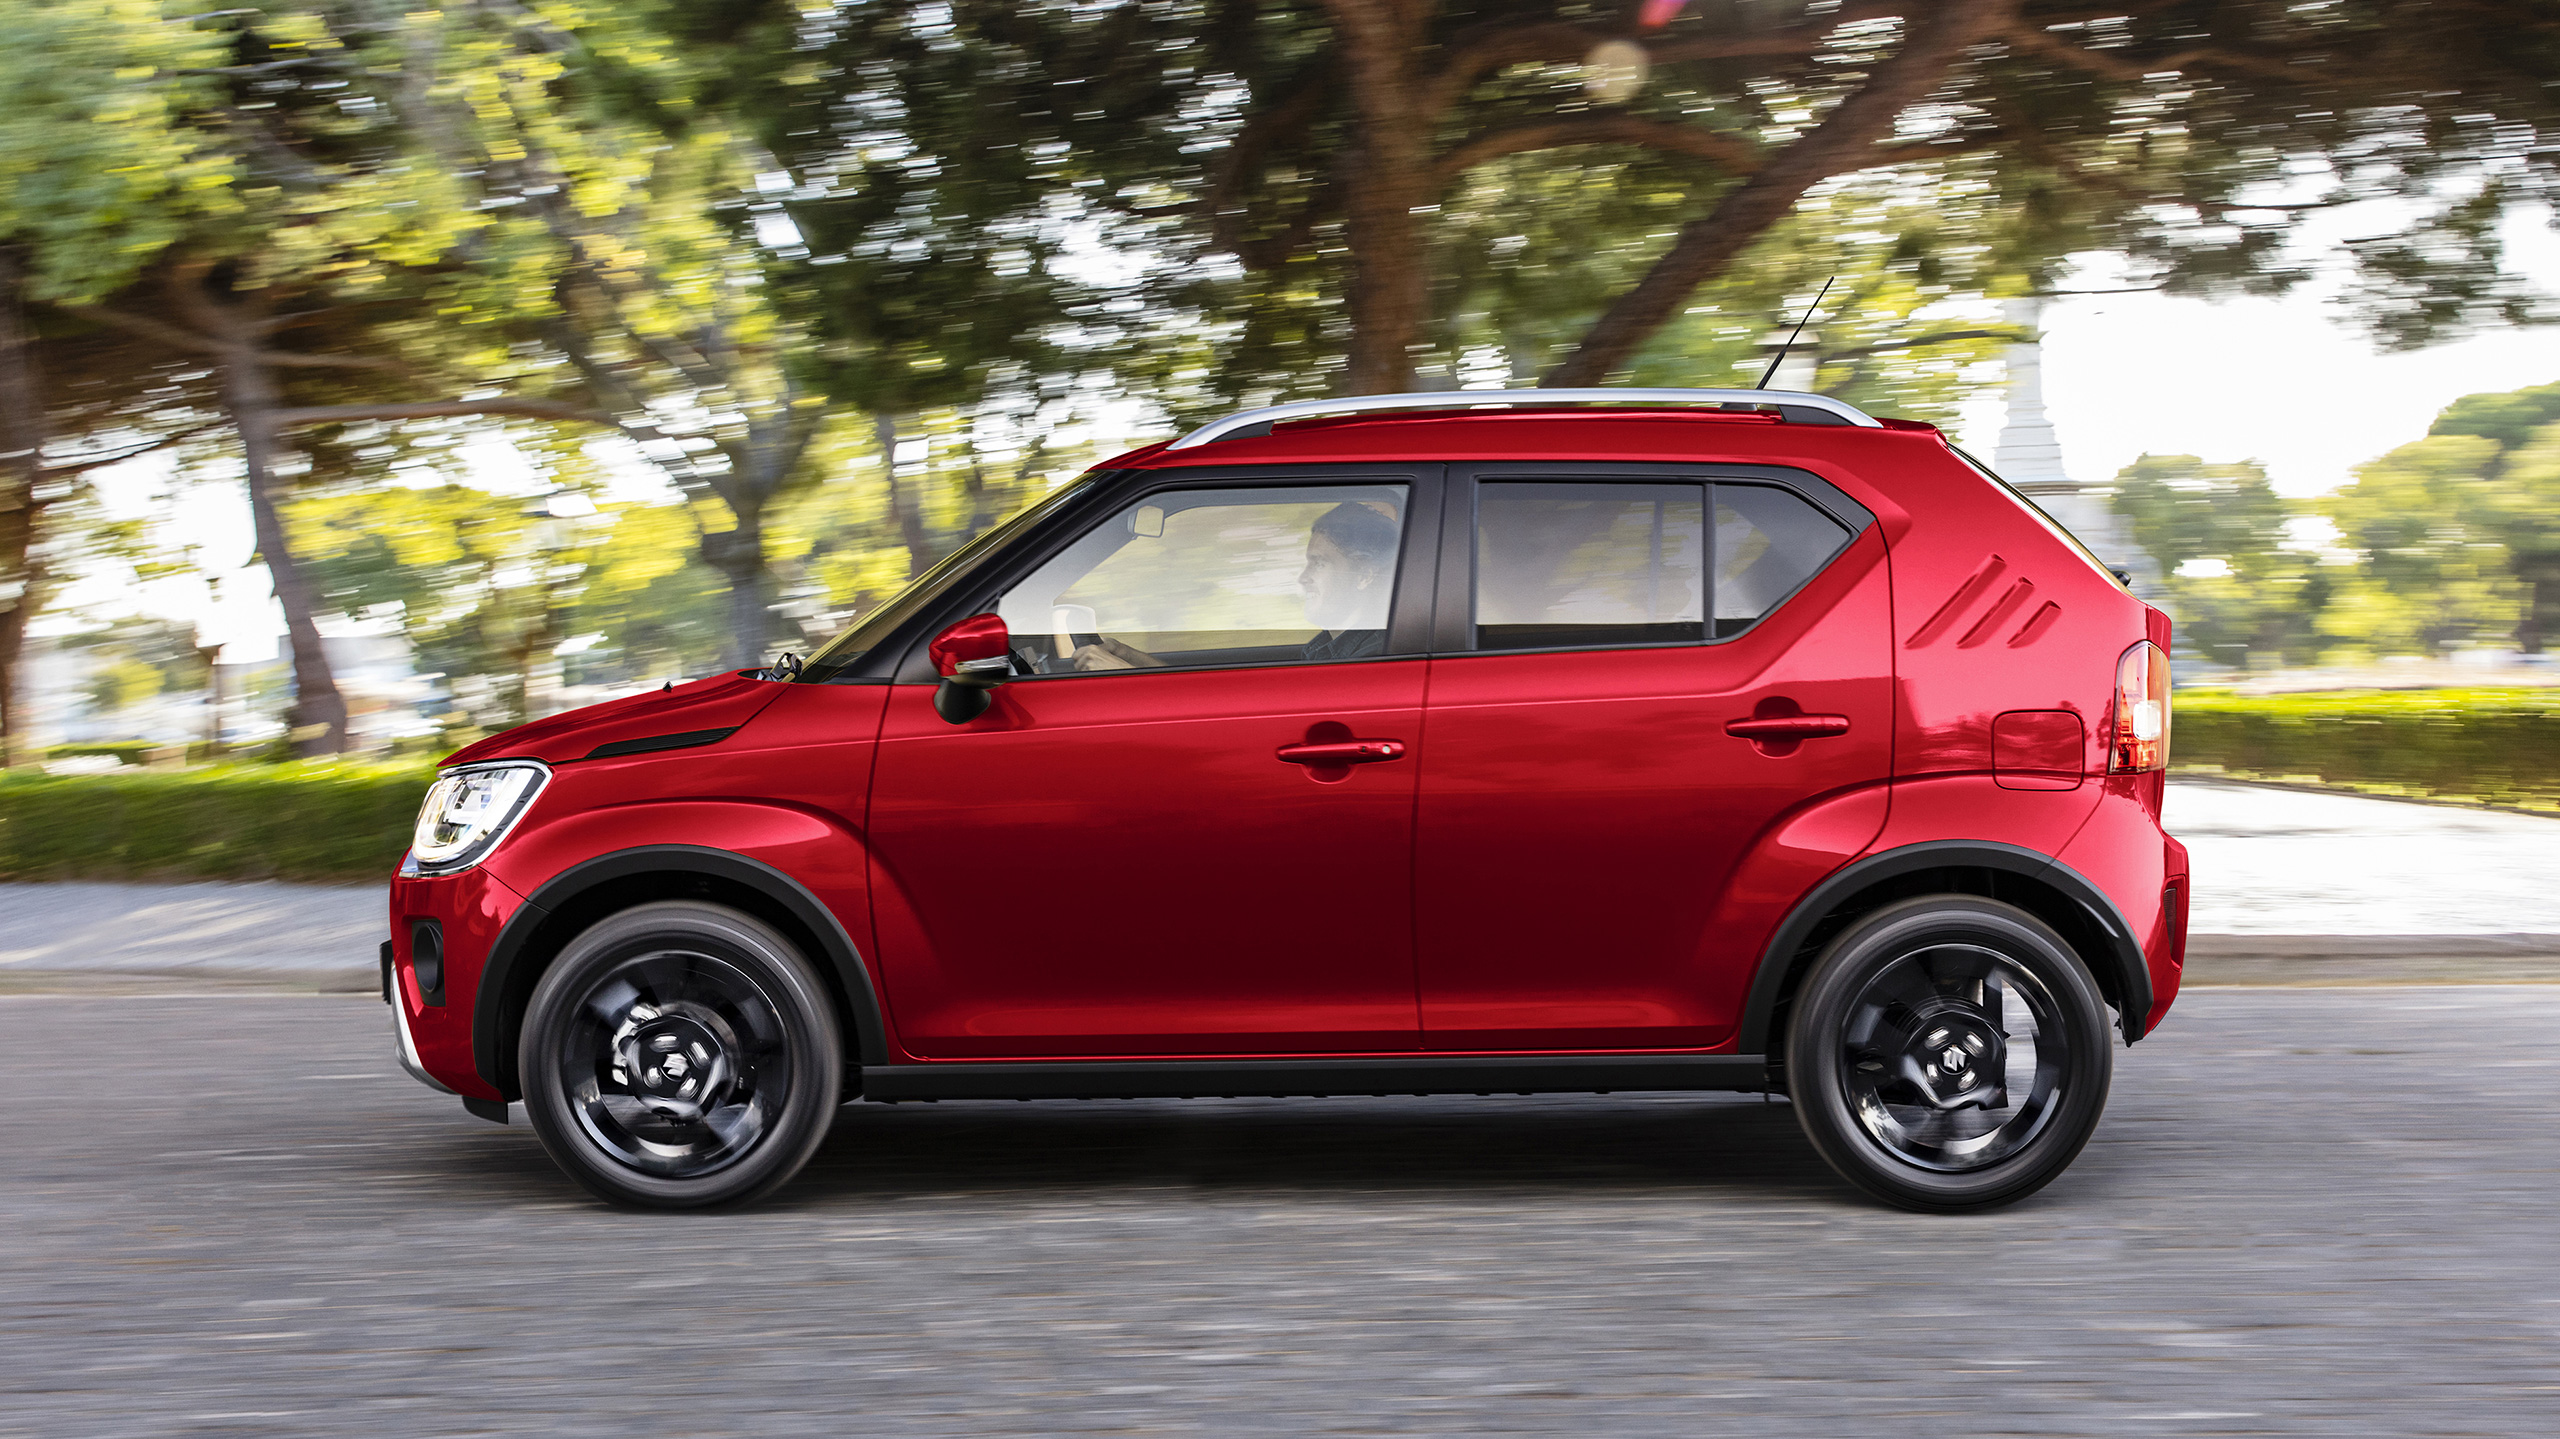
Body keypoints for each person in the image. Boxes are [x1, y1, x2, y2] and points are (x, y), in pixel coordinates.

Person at [1072, 500, 1400, 670]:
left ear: (1364, 575)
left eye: (1319, 563)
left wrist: (1129, 682)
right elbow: (1249, 699)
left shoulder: (1375, 656)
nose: (1302, 578)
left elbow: (1273, 721)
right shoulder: (1326, 648)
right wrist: (1136, 661)